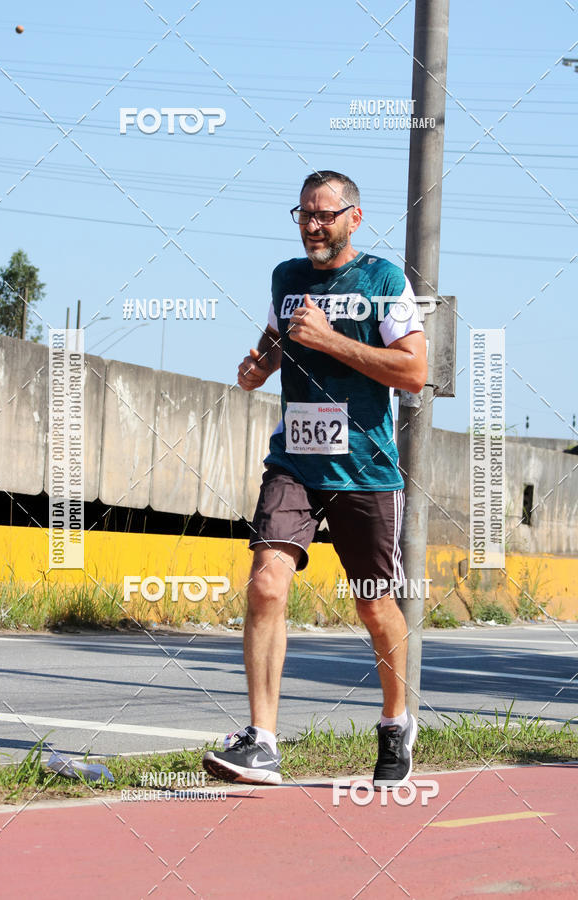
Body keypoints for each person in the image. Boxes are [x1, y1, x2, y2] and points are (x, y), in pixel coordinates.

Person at [203, 170, 427, 788]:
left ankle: (396, 722)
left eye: (325, 214)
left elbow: (412, 372)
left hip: (365, 467)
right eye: (304, 213)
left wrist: (330, 341)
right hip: (295, 460)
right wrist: (260, 364)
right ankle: (263, 741)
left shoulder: (384, 281)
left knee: (374, 603)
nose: (312, 225)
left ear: (354, 217)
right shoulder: (286, 277)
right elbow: (277, 338)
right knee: (266, 584)